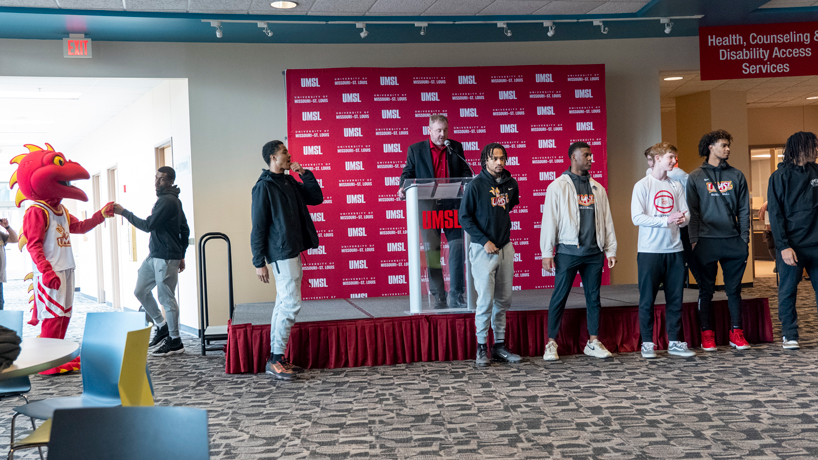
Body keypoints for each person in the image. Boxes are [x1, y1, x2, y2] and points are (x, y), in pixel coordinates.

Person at [251, 140, 323, 380]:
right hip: (281, 252)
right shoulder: (264, 187)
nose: (289, 155)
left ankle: (275, 358)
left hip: (292, 249)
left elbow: (316, 197)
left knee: (283, 303)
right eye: (284, 152)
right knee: (291, 304)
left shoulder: (289, 180)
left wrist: (304, 173)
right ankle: (276, 358)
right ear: (273, 157)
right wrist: (258, 261)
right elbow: (258, 227)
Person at [540, 141, 617, 361]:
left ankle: (593, 342)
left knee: (594, 298)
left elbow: (607, 222)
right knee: (559, 297)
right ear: (574, 157)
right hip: (567, 252)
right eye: (586, 155)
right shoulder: (558, 186)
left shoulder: (598, 188)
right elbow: (549, 221)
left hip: (594, 253)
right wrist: (547, 252)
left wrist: (610, 250)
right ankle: (551, 343)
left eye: (591, 155)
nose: (591, 158)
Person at [114, 166, 190, 356]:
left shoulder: (168, 201)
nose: (157, 182)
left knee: (166, 298)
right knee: (140, 291)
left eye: (162, 179)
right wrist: (181, 254)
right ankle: (161, 325)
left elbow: (148, 225)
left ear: (170, 181)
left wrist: (124, 212)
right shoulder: (168, 200)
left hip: (165, 257)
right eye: (156, 178)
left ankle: (175, 340)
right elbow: (184, 229)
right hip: (155, 255)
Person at [399, 115, 472, 309]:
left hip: (452, 205)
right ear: (429, 130)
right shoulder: (416, 150)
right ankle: (439, 295)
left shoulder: (455, 147)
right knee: (432, 252)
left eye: (445, 130)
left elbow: (466, 172)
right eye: (438, 130)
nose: (442, 134)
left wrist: (467, 182)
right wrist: (402, 188)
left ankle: (457, 294)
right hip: (428, 208)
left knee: (457, 247)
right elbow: (407, 174)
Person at [687, 130, 751, 352]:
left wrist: (744, 239)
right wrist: (693, 240)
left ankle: (736, 332)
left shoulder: (737, 175)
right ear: (710, 148)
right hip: (705, 241)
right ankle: (707, 333)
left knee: (734, 290)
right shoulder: (695, 176)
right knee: (706, 290)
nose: (728, 149)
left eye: (728, 145)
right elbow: (692, 212)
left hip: (733, 241)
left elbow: (744, 210)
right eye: (723, 145)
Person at [459, 143, 521, 367]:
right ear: (485, 160)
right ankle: (481, 347)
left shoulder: (511, 184)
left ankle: (500, 347)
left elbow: (507, 208)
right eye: (494, 158)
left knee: (503, 300)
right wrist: (484, 240)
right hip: (482, 250)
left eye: (502, 158)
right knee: (485, 301)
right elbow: (464, 218)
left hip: (505, 248)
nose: (499, 162)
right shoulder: (475, 186)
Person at [632, 142, 695, 358]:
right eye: (669, 157)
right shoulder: (642, 185)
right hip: (650, 251)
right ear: (657, 158)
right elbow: (636, 217)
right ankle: (648, 343)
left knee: (675, 299)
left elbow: (686, 215)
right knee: (647, 299)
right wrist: (665, 220)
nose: (673, 161)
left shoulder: (676, 185)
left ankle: (675, 342)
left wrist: (681, 219)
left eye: (674, 157)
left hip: (675, 250)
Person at [767, 131, 818, 350]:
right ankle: (789, 334)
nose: (816, 150)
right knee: (788, 291)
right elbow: (776, 215)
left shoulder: (816, 171)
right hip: (792, 247)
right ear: (800, 149)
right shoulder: (780, 177)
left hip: (816, 244)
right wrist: (783, 246)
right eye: (813, 146)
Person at [0, 218, 18, 310]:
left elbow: (15, 239)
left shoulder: (0, 235)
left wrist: (7, 227)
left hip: (0, 278)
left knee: (0, 306)